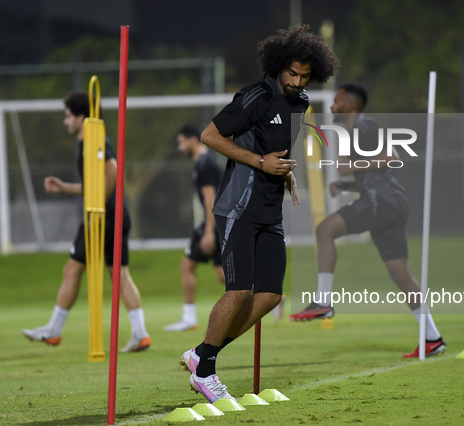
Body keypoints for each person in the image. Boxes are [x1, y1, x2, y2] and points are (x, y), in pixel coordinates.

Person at [178, 25, 338, 402]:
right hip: (238, 205)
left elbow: (274, 150)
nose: (297, 81)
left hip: (270, 208)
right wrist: (260, 163)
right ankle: (205, 369)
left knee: (270, 296)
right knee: (239, 290)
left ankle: (202, 354)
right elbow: (211, 136)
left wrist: (284, 176)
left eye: (304, 76)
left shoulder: (299, 103)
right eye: (292, 73)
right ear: (279, 66)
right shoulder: (256, 95)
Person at [288, 84, 446, 358]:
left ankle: (323, 301)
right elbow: (377, 173)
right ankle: (432, 338)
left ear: (351, 106)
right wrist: (347, 185)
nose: (332, 106)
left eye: (337, 102)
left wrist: (350, 168)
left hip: (382, 201)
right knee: (401, 274)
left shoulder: (363, 125)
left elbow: (392, 157)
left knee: (325, 230)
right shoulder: (353, 131)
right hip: (388, 202)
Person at [21, 91, 150, 353]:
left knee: (72, 269)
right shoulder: (89, 140)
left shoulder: (96, 137)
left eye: (68, 116)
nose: (64, 122)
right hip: (114, 214)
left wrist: (98, 209)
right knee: (119, 273)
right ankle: (140, 333)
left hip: (102, 216)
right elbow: (95, 183)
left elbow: (112, 169)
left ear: (81, 117)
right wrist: (64, 187)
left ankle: (54, 329)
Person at [164, 125, 224, 331]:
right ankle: (271, 296)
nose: (180, 147)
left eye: (181, 142)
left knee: (186, 266)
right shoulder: (204, 162)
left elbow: (210, 200)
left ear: (192, 140)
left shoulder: (204, 164)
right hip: (220, 222)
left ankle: (189, 318)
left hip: (213, 222)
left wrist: (208, 231)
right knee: (223, 275)